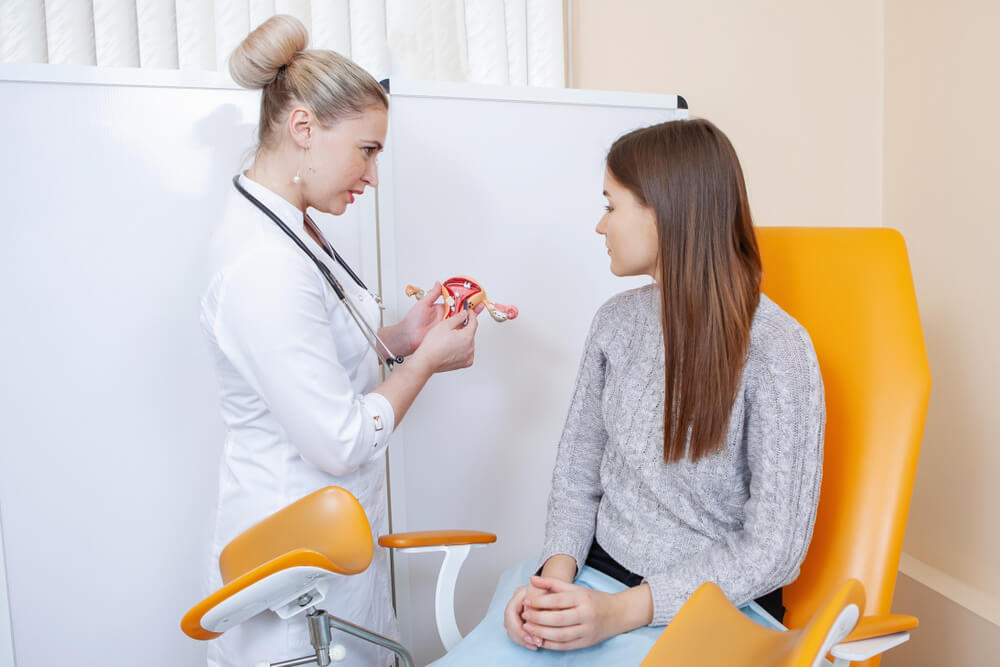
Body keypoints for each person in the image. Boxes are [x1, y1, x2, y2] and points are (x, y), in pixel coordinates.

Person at [432, 118, 825, 665]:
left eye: (611, 206)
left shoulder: (779, 352)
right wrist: (554, 583)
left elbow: (774, 552)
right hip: (596, 577)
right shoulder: (615, 323)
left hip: (710, 612)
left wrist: (623, 612)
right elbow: (577, 474)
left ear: (666, 212)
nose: (600, 225)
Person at [200, 15, 479, 667]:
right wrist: (426, 364)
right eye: (367, 149)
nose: (372, 176)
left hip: (326, 546)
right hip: (291, 563)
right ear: (303, 128)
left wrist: (402, 337)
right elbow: (339, 438)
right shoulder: (262, 264)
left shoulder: (288, 228)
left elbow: (316, 356)